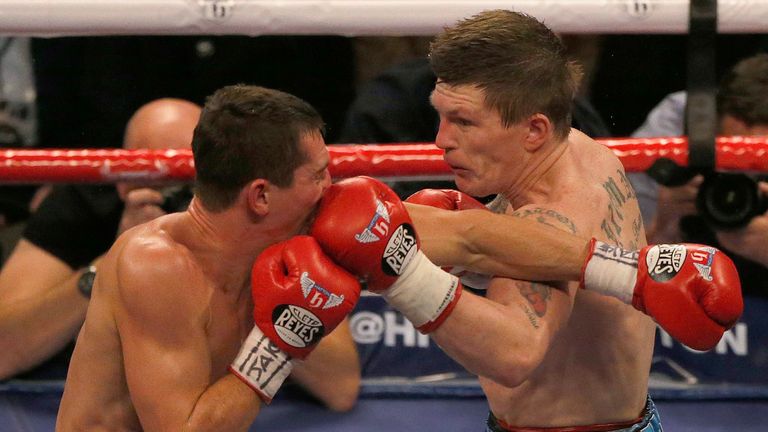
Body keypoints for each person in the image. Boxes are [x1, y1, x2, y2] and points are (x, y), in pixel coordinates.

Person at [306, 10, 741, 431]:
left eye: (463, 121)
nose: (441, 140)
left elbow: (514, 352)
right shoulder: (576, 149)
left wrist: (401, 272)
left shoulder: (554, 210)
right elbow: (481, 240)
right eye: (441, 114)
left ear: (533, 129)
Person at [56, 85, 366, 430]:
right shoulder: (157, 266)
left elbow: (342, 388)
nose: (330, 186)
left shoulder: (278, 252)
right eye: (318, 174)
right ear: (260, 196)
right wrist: (279, 341)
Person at [0, 98, 202, 380]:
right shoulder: (85, 203)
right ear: (124, 181)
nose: (183, 199)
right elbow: (3, 351)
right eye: (162, 183)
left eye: (192, 183)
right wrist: (111, 264)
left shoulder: (247, 208)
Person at [629, 53, 768, 293]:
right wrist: (664, 225)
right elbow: (621, 280)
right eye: (731, 157)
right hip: (680, 295)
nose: (743, 176)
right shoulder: (673, 129)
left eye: (758, 162)